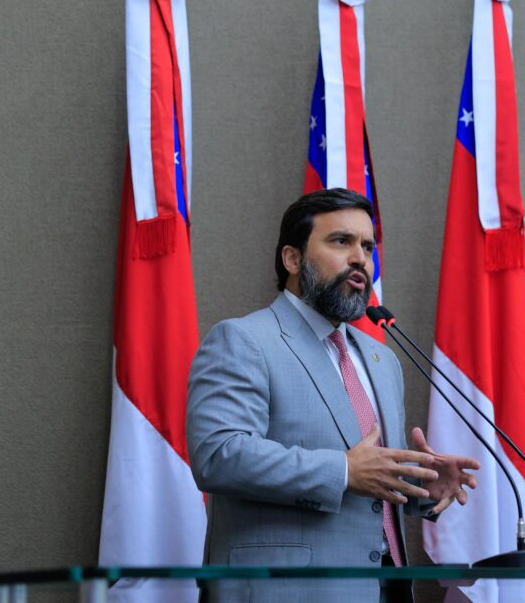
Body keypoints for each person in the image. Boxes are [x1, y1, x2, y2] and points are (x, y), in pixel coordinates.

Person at [187, 188, 480, 603]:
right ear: (292, 259)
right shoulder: (244, 340)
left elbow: (371, 477)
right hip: (288, 592)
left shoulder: (382, 360)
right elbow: (219, 456)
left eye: (367, 247)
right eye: (342, 241)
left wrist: (421, 485)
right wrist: (342, 471)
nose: (360, 258)